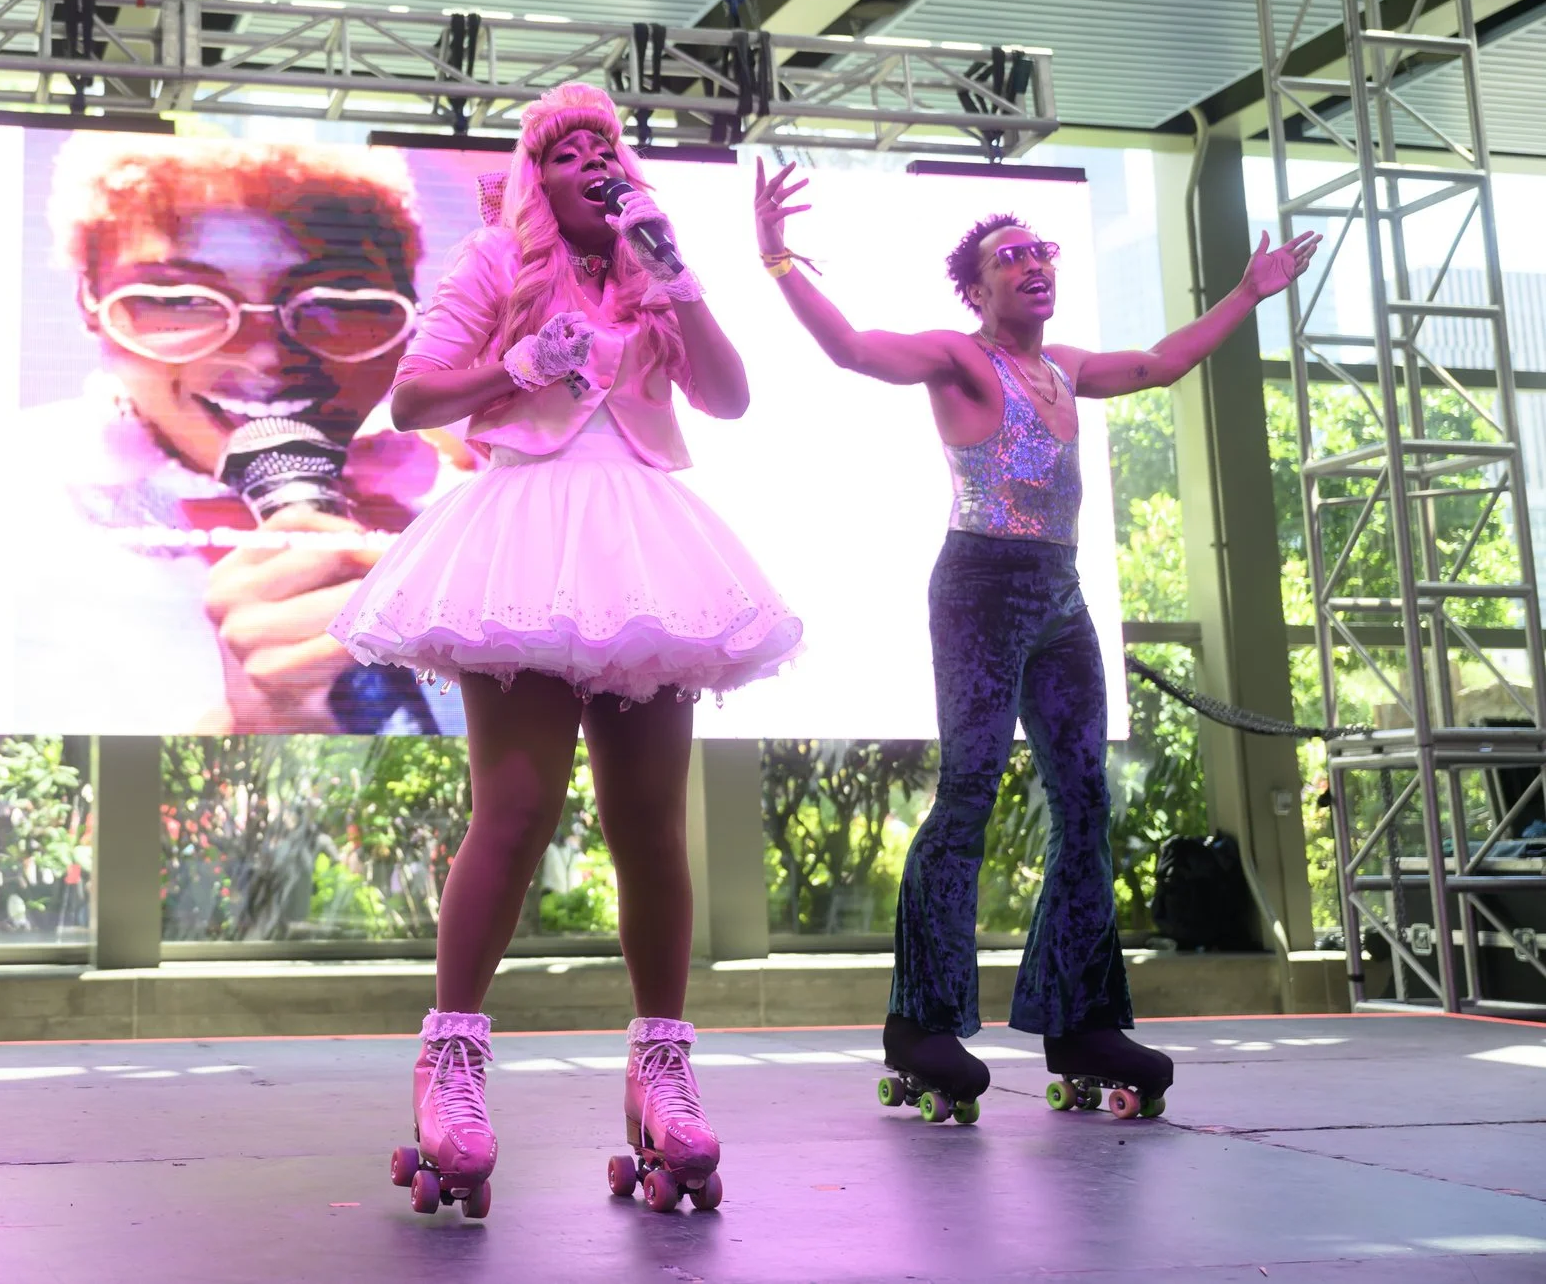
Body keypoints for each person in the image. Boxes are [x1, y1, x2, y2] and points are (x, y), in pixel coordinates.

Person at [750, 162, 1318, 1120]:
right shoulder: (963, 359)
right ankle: (922, 1020)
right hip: (980, 584)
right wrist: (776, 258)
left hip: (1059, 592)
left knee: (1085, 799)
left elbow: (1162, 362)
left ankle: (1082, 1012)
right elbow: (851, 348)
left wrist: (1248, 292)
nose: (1034, 264)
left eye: (1041, 251)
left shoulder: (1068, 371)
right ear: (977, 291)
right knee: (969, 788)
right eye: (1009, 258)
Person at [330, 84, 802, 1218]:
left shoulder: (652, 262)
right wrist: (519, 365)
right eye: (564, 149)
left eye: (605, 145)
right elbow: (410, 395)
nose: (591, 159)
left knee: (649, 818)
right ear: (532, 177)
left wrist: (674, 276)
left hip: (640, 543)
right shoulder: (496, 258)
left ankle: (661, 1064)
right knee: (517, 803)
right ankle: (448, 1060)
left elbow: (729, 398)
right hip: (527, 533)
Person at [21, 136, 463, 735]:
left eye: (337, 300)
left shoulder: (481, 517)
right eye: (179, 301)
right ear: (89, 302)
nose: (264, 356)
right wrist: (251, 726)